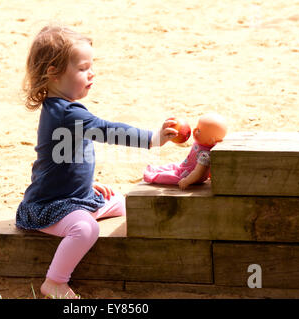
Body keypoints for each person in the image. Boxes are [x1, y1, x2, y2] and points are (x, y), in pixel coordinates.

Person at [16, 25, 178, 299]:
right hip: (49, 205)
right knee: (85, 229)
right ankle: (54, 282)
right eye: (82, 68)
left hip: (76, 197)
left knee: (127, 205)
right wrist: (154, 138)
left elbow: (65, 159)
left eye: (92, 66)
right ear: (53, 72)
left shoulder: (62, 107)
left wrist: (86, 186)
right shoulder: (66, 113)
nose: (92, 73)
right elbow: (109, 130)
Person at [143, 113, 227, 190]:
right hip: (185, 166)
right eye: (196, 127)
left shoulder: (205, 155)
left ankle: (152, 177)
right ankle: (154, 169)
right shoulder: (202, 142)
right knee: (172, 166)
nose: (194, 130)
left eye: (198, 130)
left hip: (189, 174)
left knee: (172, 176)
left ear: (210, 140)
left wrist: (187, 181)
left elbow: (198, 172)